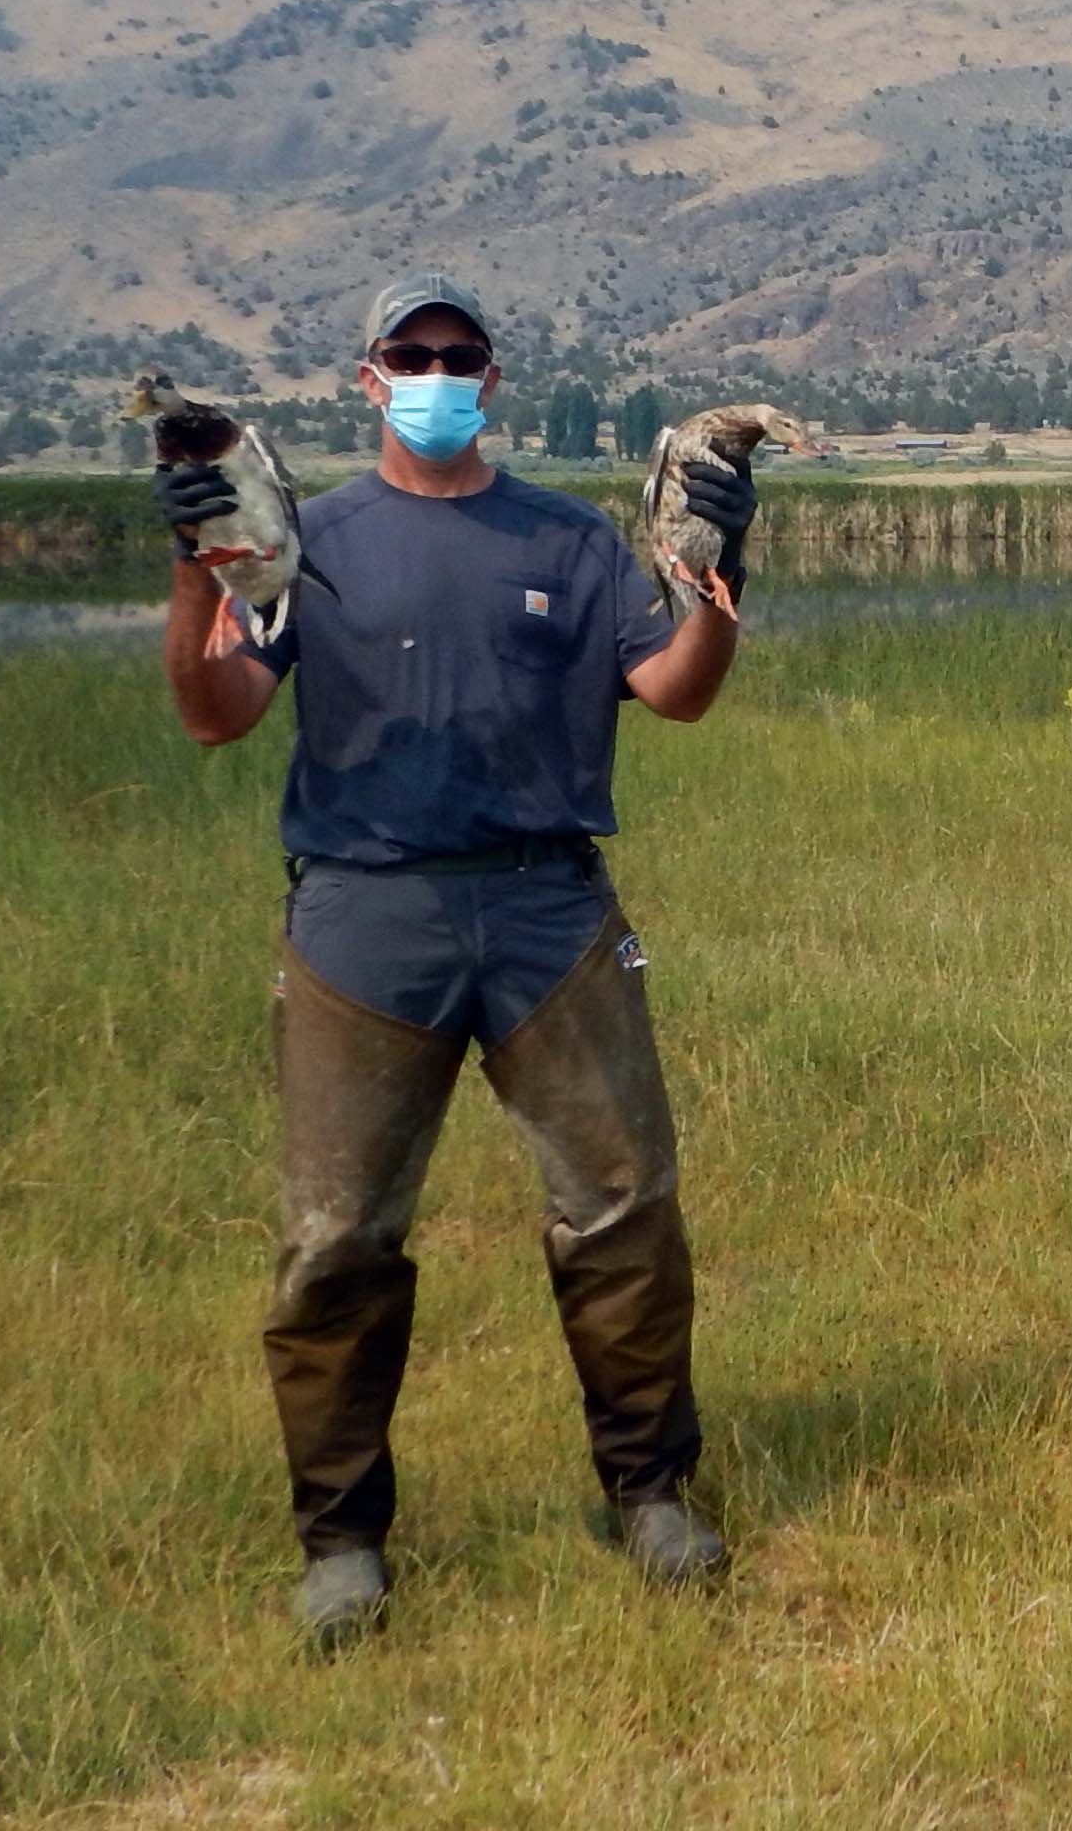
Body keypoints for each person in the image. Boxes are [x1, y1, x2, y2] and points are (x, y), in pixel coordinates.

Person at [155, 272, 760, 1649]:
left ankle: (652, 1495)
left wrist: (718, 589)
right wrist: (191, 580)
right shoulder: (301, 542)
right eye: (409, 353)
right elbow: (215, 716)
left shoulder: (570, 539)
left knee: (624, 1213)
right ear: (368, 378)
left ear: (492, 379)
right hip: (366, 921)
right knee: (338, 1243)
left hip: (550, 911)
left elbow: (677, 691)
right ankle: (343, 1541)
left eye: (460, 354)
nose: (437, 372)